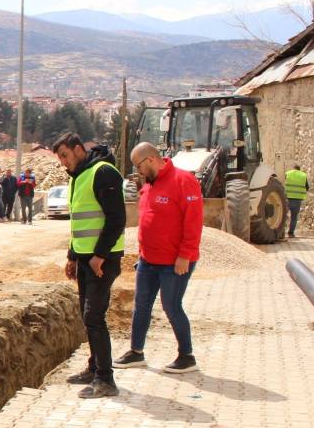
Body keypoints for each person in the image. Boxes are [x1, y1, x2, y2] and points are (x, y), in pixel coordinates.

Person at [113, 142, 203, 374]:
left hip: (174, 262)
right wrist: (142, 255)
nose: (138, 172)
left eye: (139, 166)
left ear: (151, 159)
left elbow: (193, 222)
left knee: (171, 306)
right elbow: (148, 222)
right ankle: (136, 352)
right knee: (141, 305)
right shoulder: (149, 186)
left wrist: (185, 255)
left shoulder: (184, 181)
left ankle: (187, 356)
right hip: (148, 261)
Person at [53, 132, 126, 398]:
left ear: (78, 149)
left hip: (102, 260)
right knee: (87, 316)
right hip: (86, 259)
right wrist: (73, 256)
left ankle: (105, 379)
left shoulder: (103, 172)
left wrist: (100, 256)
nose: (62, 162)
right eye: (59, 157)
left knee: (94, 317)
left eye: (65, 155)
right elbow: (80, 225)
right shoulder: (79, 176)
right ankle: (94, 367)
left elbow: (117, 219)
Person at [284, 164, 309, 238]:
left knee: (283, 216)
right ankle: (291, 233)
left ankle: (281, 232)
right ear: (299, 169)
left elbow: (282, 183)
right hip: (297, 200)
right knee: (294, 217)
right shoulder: (303, 175)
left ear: (293, 168)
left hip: (287, 199)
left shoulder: (287, 173)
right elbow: (307, 187)